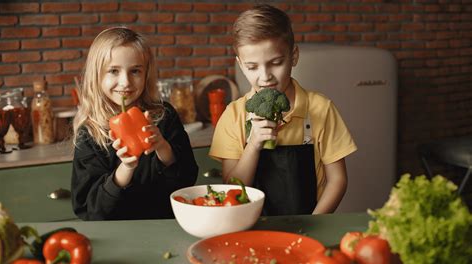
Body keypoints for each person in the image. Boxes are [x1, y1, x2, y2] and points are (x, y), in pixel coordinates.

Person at [209, 4, 357, 215]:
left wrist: (314, 224)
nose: (265, 76)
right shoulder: (233, 116)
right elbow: (233, 188)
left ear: (293, 56)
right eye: (252, 67)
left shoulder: (321, 109)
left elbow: (338, 180)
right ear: (240, 65)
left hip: (310, 226)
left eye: (276, 62)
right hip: (252, 231)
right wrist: (253, 145)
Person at [71, 27, 198, 220]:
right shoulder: (89, 133)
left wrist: (163, 147)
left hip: (167, 225)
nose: (125, 82)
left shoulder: (164, 115)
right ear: (97, 75)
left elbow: (188, 179)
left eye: (135, 71)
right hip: (116, 235)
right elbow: (90, 211)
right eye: (113, 71)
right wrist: (126, 168)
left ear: (146, 74)